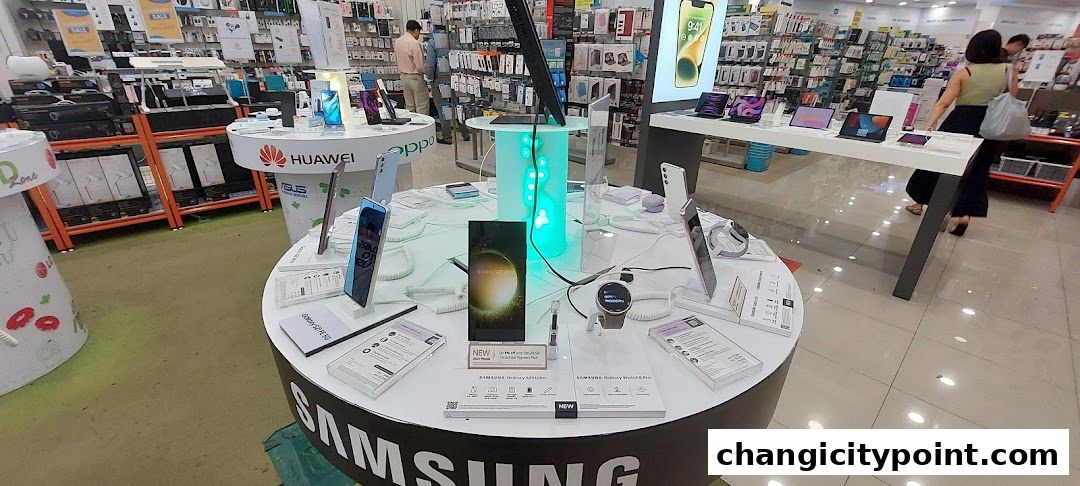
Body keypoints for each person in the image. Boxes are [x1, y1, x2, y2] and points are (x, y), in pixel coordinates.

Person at [904, 30, 1017, 236]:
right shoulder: (1008, 71)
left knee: (938, 164)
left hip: (961, 122)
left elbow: (944, 102)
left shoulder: (966, 72)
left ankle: (923, 204)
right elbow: (1010, 100)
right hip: (991, 124)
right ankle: (963, 216)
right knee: (978, 170)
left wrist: (928, 125)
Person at [425, 27, 470, 144]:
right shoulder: (454, 40)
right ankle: (465, 132)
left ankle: (447, 136)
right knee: (457, 105)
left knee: (442, 107)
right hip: (456, 77)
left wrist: (429, 78)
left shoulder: (433, 42)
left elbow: (430, 64)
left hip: (440, 78)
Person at [394, 20, 428, 115]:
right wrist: (425, 72)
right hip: (415, 77)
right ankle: (423, 128)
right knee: (421, 105)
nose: (418, 35)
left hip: (403, 76)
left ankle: (412, 127)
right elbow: (419, 64)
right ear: (416, 30)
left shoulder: (398, 41)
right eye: (419, 33)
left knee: (409, 105)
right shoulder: (413, 43)